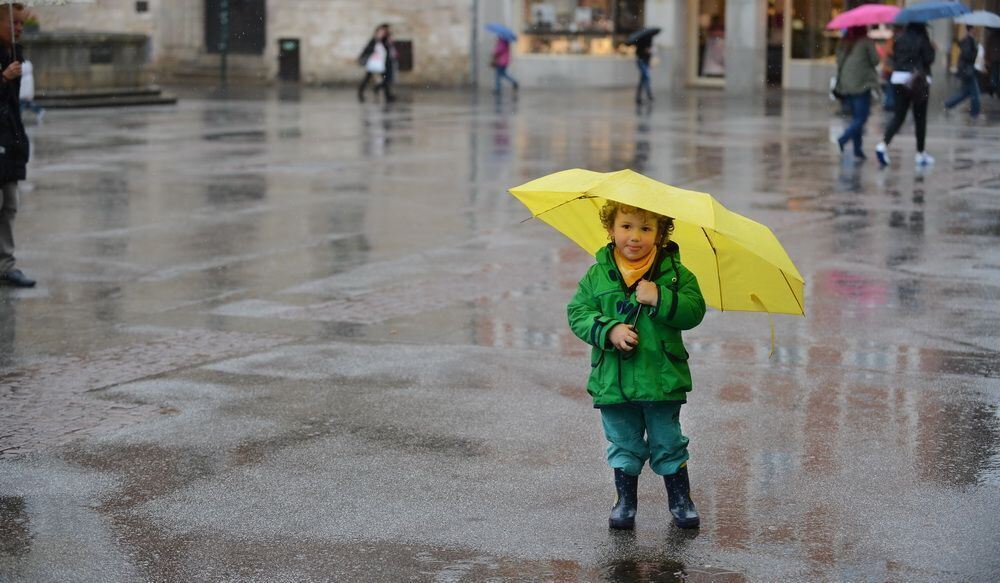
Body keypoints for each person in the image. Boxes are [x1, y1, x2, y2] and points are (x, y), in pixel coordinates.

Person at [567, 201, 706, 530]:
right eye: (626, 226)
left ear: (660, 234)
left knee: (668, 441)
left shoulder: (676, 275)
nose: (635, 236)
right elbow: (578, 313)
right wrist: (609, 330)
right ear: (611, 229)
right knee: (623, 442)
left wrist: (660, 296)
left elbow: (694, 311)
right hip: (613, 381)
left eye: (646, 228)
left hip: (661, 379)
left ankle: (681, 500)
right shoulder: (597, 274)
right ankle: (625, 502)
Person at [0, 2, 34, 288]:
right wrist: (3, 77)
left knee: (10, 203)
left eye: (22, 23)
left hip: (9, 139)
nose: (19, 28)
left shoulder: (15, 54)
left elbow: (11, 105)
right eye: (14, 23)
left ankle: (6, 266)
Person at [876, 22, 935, 168]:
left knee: (899, 116)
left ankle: (883, 145)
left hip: (898, 80)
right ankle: (920, 153)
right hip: (918, 82)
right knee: (920, 118)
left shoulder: (899, 39)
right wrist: (932, 48)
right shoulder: (923, 39)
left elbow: (895, 57)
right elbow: (929, 59)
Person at [833, 26, 880, 161]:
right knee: (861, 118)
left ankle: (857, 150)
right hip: (861, 84)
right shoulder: (866, 41)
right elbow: (876, 60)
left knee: (856, 118)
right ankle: (843, 138)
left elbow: (838, 60)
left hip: (846, 84)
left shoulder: (844, 41)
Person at [944, 26, 980, 118]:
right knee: (975, 93)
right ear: (971, 29)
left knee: (965, 92)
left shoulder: (970, 40)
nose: (977, 30)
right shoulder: (968, 40)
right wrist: (975, 52)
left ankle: (948, 103)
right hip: (967, 71)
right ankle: (975, 113)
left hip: (967, 70)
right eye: (975, 28)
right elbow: (967, 55)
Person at [357, 24, 395, 103]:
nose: (382, 33)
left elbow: (387, 50)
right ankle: (360, 92)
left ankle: (387, 95)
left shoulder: (384, 41)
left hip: (380, 64)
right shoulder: (374, 41)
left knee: (384, 79)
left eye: (383, 32)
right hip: (373, 63)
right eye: (380, 32)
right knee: (367, 78)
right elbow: (367, 50)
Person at [634, 34, 653, 104]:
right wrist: (645, 51)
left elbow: (649, 54)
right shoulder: (641, 42)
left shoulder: (647, 40)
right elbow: (638, 53)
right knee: (646, 78)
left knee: (643, 79)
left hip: (644, 62)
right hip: (641, 61)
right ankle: (648, 95)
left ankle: (640, 96)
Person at [987, 28, 1000, 97]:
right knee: (997, 74)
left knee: (994, 74)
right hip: (997, 58)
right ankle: (997, 90)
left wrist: (988, 58)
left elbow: (988, 47)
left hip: (993, 58)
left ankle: (992, 88)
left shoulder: (991, 36)